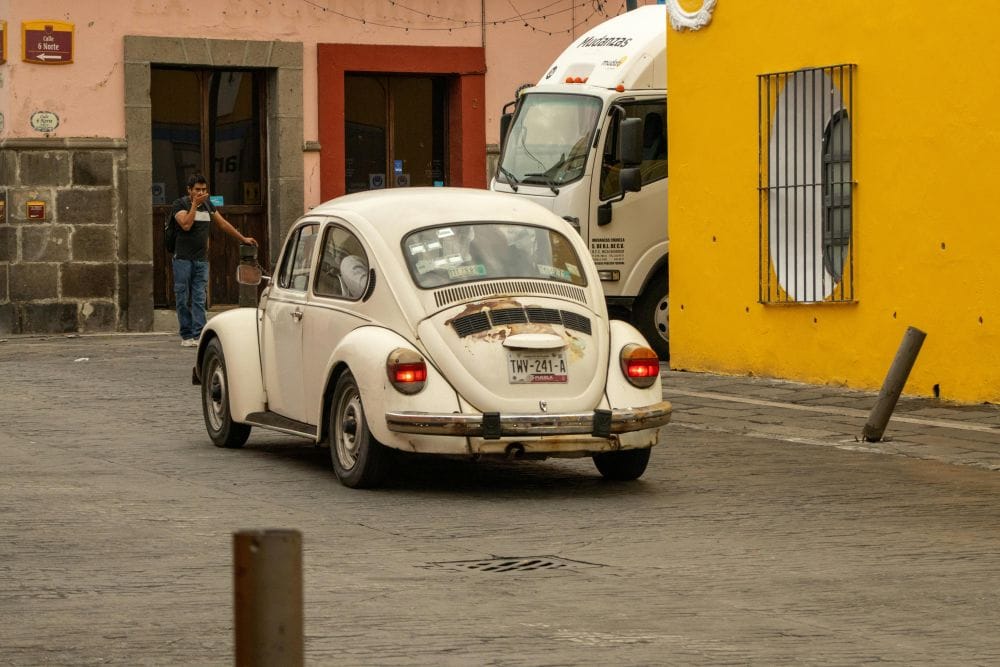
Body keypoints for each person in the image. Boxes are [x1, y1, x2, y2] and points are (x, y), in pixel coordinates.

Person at [170, 174, 257, 347]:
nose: (201, 193)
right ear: (189, 190)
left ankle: (200, 334)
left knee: (199, 297)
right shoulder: (179, 204)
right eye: (197, 190)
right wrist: (194, 205)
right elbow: (186, 224)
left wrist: (242, 238)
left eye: (203, 190)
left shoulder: (208, 205)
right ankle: (186, 335)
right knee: (182, 297)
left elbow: (223, 224)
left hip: (201, 260)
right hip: (182, 259)